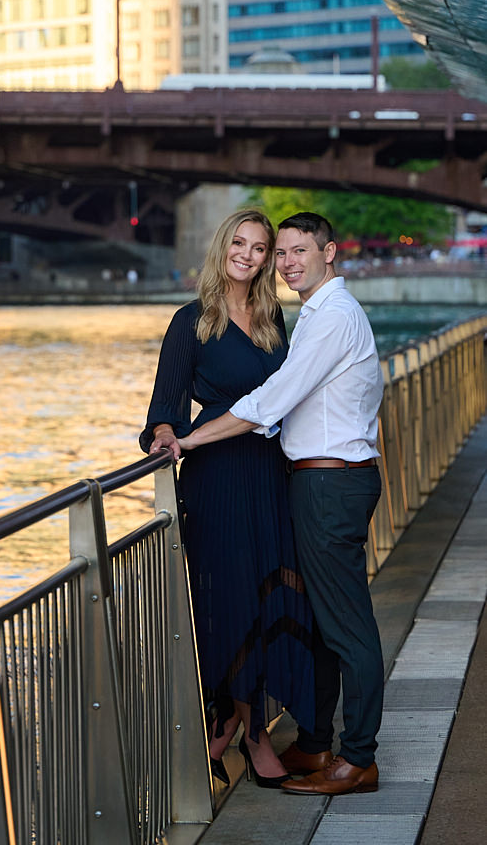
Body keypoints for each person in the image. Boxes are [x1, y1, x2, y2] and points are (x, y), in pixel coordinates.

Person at [178, 211, 384, 796]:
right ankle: (318, 745)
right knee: (320, 623)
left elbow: (272, 399)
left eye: (299, 251)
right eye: (283, 252)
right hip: (319, 480)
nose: (290, 262)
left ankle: (359, 758)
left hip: (329, 485)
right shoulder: (315, 316)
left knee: (347, 629)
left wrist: (194, 437)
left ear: (330, 253)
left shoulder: (332, 317)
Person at [141, 209, 314, 788]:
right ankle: (250, 733)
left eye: (260, 248)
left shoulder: (271, 319)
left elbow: (289, 397)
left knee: (269, 597)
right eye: (239, 243)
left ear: (267, 260)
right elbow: (165, 407)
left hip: (268, 474)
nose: (249, 254)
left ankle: (229, 729)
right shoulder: (191, 321)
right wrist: (167, 436)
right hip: (215, 478)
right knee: (228, 601)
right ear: (223, 248)